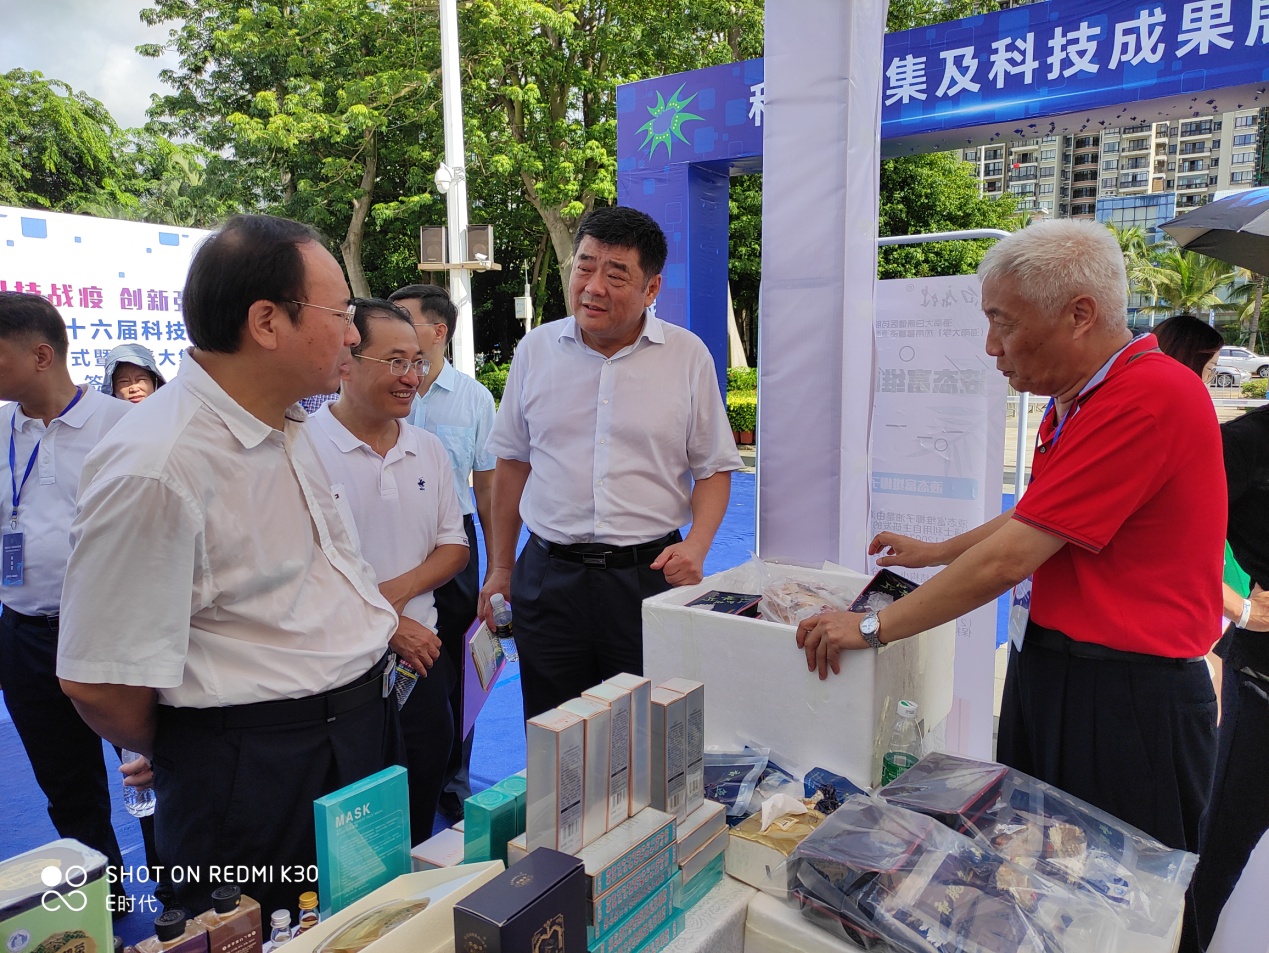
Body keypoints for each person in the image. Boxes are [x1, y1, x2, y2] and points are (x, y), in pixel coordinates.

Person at [797, 220, 1223, 864]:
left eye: (1005, 323)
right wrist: (936, 551)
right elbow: (1037, 516)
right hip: (1055, 666)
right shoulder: (1082, 395)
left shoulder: (1148, 395)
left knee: (1117, 886)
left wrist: (874, 627)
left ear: (1080, 314)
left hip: (1125, 695)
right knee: (1037, 866)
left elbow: (1011, 560)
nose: (992, 346)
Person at [56, 214, 400, 917]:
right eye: (340, 314)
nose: (354, 336)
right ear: (267, 321)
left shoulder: (289, 423)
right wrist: (200, 744)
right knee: (264, 930)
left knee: (367, 923)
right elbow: (96, 679)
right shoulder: (158, 464)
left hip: (353, 736)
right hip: (253, 773)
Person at [479, 205, 742, 721]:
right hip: (549, 578)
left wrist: (697, 546)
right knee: (556, 733)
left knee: (647, 730)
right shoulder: (536, 351)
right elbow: (512, 463)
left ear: (651, 288)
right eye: (585, 266)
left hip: (647, 578)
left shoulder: (687, 357)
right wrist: (502, 567)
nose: (593, 287)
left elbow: (713, 468)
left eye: (616, 275)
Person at [308, 297, 469, 842]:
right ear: (347, 361)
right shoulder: (302, 448)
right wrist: (387, 622)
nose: (411, 377)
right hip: (338, 675)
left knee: (419, 806)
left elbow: (453, 547)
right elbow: (305, 568)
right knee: (354, 836)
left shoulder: (428, 449)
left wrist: (394, 596)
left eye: (417, 362)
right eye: (395, 361)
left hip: (420, 661)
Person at [0, 292, 131, 907]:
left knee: (151, 770)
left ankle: (179, 898)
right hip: (24, 630)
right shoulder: (2, 427)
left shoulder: (122, 425)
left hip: (116, 632)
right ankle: (106, 900)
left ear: (41, 355)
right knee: (65, 782)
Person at [389, 283, 496, 820]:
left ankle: (453, 781)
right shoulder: (381, 388)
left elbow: (489, 486)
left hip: (456, 544)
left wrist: (498, 568)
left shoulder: (474, 399)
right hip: (392, 542)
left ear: (438, 331)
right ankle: (395, 776)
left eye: (404, 318)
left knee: (457, 663)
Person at [1191, 393, 1269, 945]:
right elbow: (1163, 532)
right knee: (1217, 855)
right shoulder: (1245, 443)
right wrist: (1239, 607)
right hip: (1263, 685)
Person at [100, 343, 167, 403]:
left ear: (155, 383)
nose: (134, 389)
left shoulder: (170, 411)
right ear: (112, 388)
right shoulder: (103, 413)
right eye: (124, 381)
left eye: (141, 379)